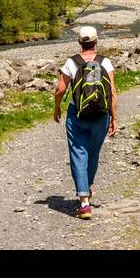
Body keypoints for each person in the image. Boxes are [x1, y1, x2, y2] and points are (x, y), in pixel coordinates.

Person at [54, 24, 117, 219]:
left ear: (79, 42)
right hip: (101, 115)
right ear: (96, 42)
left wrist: (57, 107)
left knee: (78, 153)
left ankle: (83, 201)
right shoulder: (105, 62)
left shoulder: (71, 63)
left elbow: (60, 90)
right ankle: (87, 187)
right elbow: (113, 92)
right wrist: (114, 117)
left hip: (77, 114)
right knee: (93, 154)